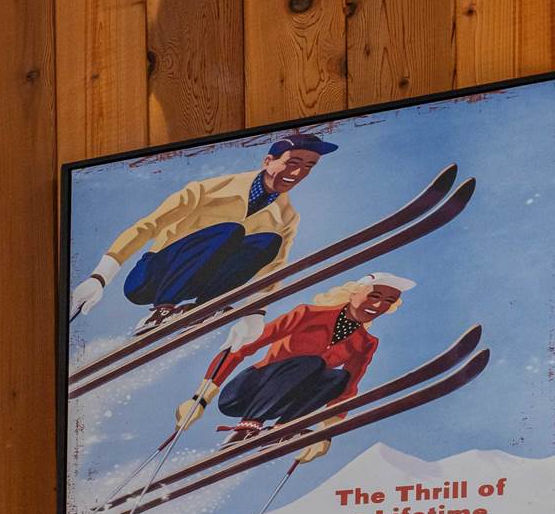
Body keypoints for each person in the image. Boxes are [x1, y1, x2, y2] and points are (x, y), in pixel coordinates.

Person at [68, 130, 337, 331]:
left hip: (199, 282)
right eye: (293, 162)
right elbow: (149, 225)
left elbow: (273, 268)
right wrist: (99, 277)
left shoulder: (287, 216)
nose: (298, 173)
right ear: (268, 161)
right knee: (231, 231)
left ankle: (204, 307)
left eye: (308, 167)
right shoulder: (210, 190)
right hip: (151, 277)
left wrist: (256, 314)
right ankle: (161, 310)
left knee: (269, 242)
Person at [178, 274, 410, 459]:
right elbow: (243, 346)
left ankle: (282, 429)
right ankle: (246, 427)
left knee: (338, 379)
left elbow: (348, 390)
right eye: (374, 296)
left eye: (388, 302)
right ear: (353, 293)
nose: (378, 305)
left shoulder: (366, 343)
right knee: (314, 362)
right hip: (245, 392)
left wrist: (324, 433)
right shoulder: (307, 314)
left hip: (282, 403)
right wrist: (201, 397)